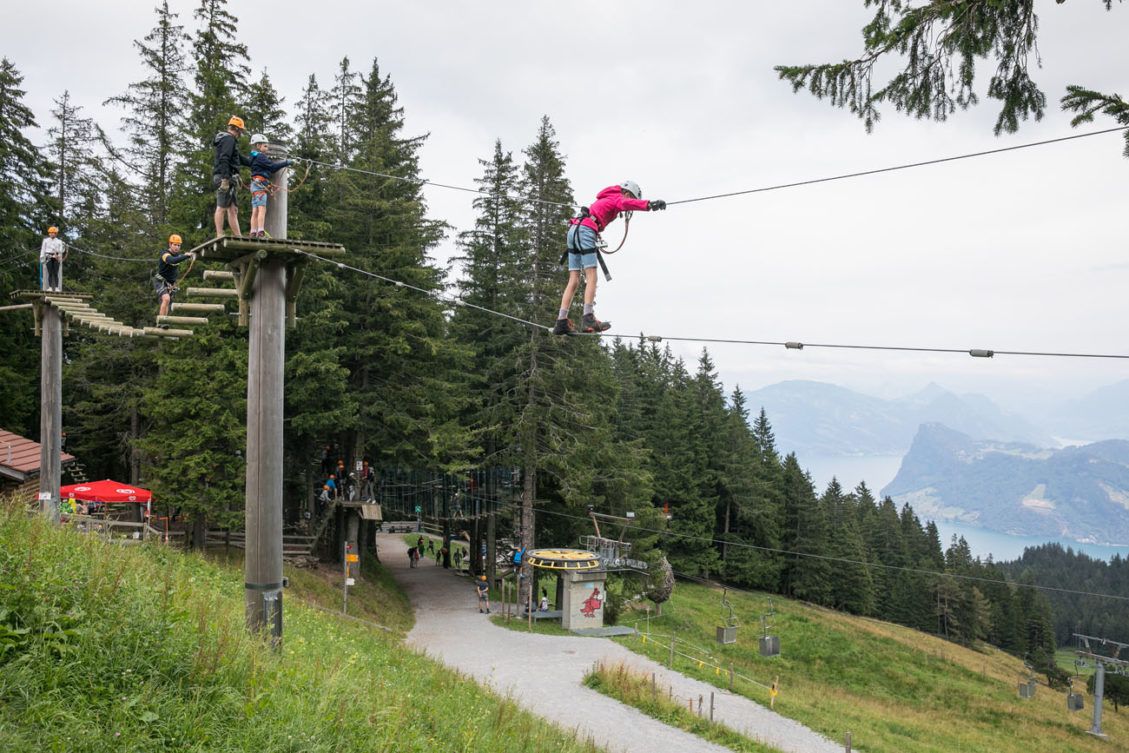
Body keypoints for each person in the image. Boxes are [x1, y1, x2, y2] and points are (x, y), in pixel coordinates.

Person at [553, 181, 666, 335]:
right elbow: (627, 203)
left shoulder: (606, 198)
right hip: (585, 231)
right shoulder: (618, 198)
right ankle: (588, 317)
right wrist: (649, 205)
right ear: (627, 193)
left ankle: (561, 321)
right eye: (631, 198)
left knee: (574, 279)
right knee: (591, 276)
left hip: (573, 230)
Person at [247, 134, 292, 238]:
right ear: (258, 145)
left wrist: (268, 184)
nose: (267, 148)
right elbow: (272, 167)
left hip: (254, 185)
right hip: (259, 186)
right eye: (265, 146)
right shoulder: (261, 156)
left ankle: (253, 231)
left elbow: (261, 171)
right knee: (262, 209)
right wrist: (286, 162)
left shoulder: (253, 157)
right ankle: (260, 231)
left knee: (255, 211)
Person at [213, 116, 251, 238]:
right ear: (236, 129)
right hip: (225, 177)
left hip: (230, 178)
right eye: (241, 131)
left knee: (233, 209)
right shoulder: (229, 139)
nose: (241, 134)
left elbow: (239, 158)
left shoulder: (229, 140)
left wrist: (256, 161)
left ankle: (238, 236)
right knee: (221, 207)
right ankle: (219, 234)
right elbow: (224, 158)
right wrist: (225, 179)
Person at [155, 234, 195, 320]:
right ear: (170, 244)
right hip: (160, 281)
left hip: (170, 284)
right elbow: (172, 260)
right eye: (175, 245)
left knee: (167, 302)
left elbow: (178, 259)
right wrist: (185, 256)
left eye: (179, 245)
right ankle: (161, 321)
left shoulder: (178, 256)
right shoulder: (165, 254)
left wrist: (190, 255)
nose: (177, 247)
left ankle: (164, 321)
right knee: (166, 299)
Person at [39, 226, 67, 292]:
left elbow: (61, 250)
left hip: (56, 257)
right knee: (50, 273)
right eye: (50, 233)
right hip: (48, 256)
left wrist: (58, 256)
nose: (52, 234)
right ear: (49, 233)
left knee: (56, 273)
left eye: (53, 233)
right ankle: (50, 287)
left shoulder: (59, 241)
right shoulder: (45, 241)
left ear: (55, 234)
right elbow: (43, 249)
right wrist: (42, 257)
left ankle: (57, 287)